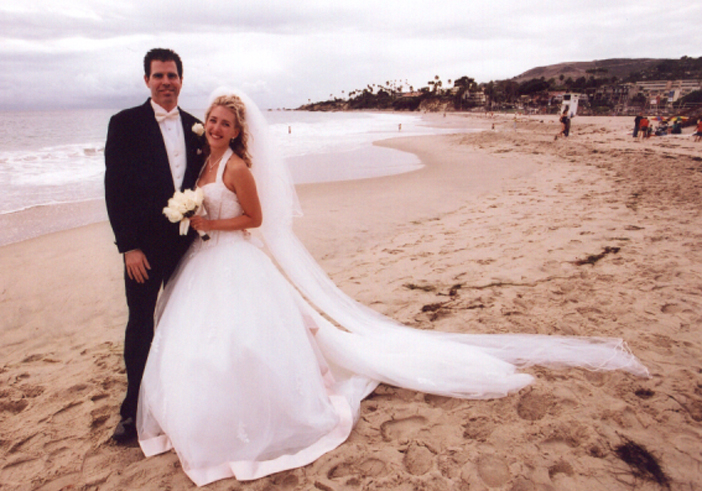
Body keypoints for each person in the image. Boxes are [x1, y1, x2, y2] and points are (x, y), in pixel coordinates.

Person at [137, 89, 649, 486]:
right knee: (203, 343)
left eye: (227, 123)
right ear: (208, 125)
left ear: (237, 129)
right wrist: (193, 218)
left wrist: (209, 226)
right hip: (207, 264)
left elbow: (255, 218)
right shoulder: (205, 162)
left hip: (234, 258)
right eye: (215, 121)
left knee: (243, 341)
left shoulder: (239, 167)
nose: (220, 128)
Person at [104, 48, 205, 443]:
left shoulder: (198, 127)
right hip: (142, 250)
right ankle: (133, 409)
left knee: (186, 322)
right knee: (141, 323)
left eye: (172, 75)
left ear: (182, 79)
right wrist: (128, 246)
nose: (166, 82)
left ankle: (181, 397)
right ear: (146, 80)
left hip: (187, 248)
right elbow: (115, 189)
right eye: (158, 75)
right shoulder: (124, 124)